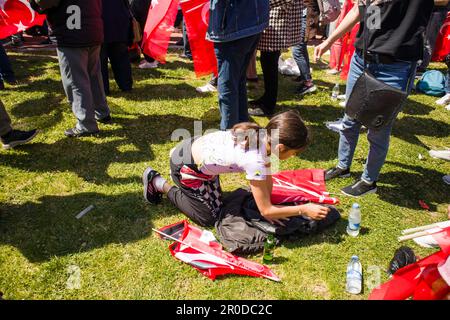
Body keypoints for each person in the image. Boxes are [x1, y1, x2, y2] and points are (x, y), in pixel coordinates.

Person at [314, 0, 434, 197]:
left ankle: (369, 180)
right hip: (362, 58)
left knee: (378, 127)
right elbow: (361, 11)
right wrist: (328, 41)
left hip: (395, 65)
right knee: (350, 118)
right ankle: (343, 166)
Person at [142, 110, 331, 227]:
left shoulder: (265, 137)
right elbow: (265, 211)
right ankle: (159, 183)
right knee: (209, 218)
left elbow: (268, 177)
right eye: (295, 153)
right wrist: (302, 210)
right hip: (186, 167)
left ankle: (182, 181)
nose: (294, 157)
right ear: (281, 148)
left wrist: (273, 205)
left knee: (220, 205)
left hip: (195, 154)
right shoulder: (255, 159)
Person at [30, 0, 111, 137]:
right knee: (94, 76)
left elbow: (44, 3)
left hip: (71, 35)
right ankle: (102, 112)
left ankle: (86, 124)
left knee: (75, 81)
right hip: (92, 31)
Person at [207, 0, 270, 130]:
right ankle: (242, 128)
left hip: (234, 26)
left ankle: (230, 134)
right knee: (238, 80)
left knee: (229, 84)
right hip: (252, 21)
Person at [248, 0, 304, 116]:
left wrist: (258, 5)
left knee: (270, 64)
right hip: (275, 19)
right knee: (267, 61)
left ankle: (269, 105)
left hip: (278, 21)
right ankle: (267, 97)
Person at [101, 0, 133, 95]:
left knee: (101, 59)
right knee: (120, 55)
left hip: (102, 21)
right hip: (119, 19)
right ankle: (126, 85)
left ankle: (103, 88)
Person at [292, 2, 317, 96]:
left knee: (297, 50)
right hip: (305, 15)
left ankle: (308, 82)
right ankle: (305, 76)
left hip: (306, 16)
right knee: (301, 49)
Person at [130, 0, 159, 69]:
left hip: (142, 5)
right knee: (143, 30)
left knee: (140, 31)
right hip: (143, 5)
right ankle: (151, 58)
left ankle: (151, 60)